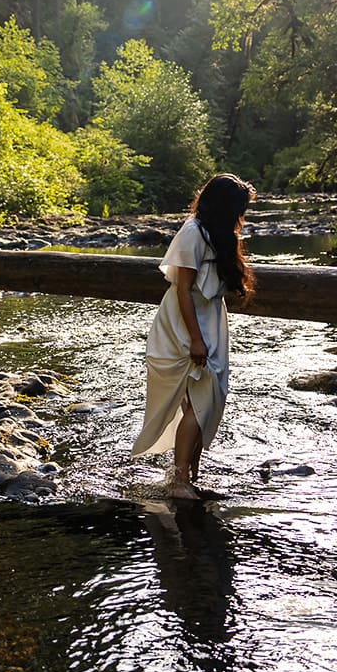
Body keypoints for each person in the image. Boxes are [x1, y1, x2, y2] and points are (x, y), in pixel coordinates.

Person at [132, 173, 256, 499]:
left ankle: (189, 472)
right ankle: (179, 480)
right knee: (202, 399)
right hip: (186, 323)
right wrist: (196, 340)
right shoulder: (192, 232)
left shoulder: (217, 231)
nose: (241, 214)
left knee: (209, 399)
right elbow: (183, 290)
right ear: (224, 205)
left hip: (209, 319)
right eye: (238, 207)